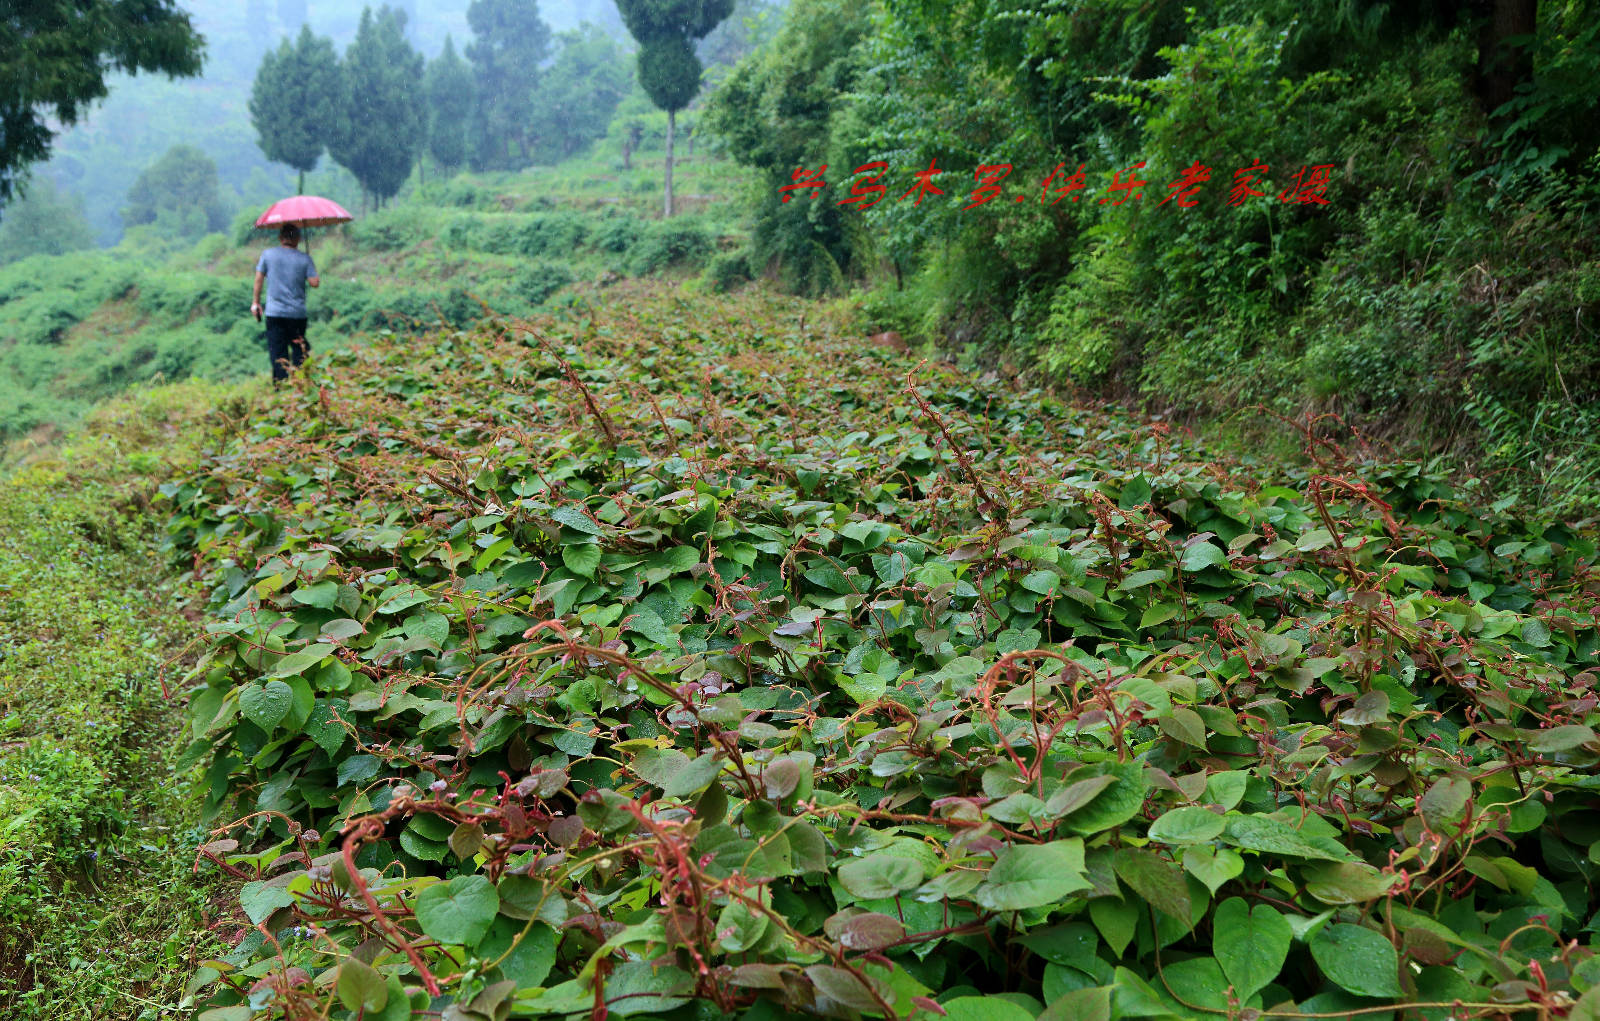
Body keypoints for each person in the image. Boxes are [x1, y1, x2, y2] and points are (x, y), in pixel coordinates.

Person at [251, 223, 321, 383]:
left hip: (274, 313)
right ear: (298, 239)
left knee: (277, 352)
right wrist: (309, 265)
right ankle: (300, 383)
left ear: (280, 237)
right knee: (299, 349)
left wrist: (256, 302)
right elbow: (314, 283)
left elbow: (258, 279)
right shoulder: (304, 258)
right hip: (297, 314)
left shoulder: (268, 255)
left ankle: (281, 386)